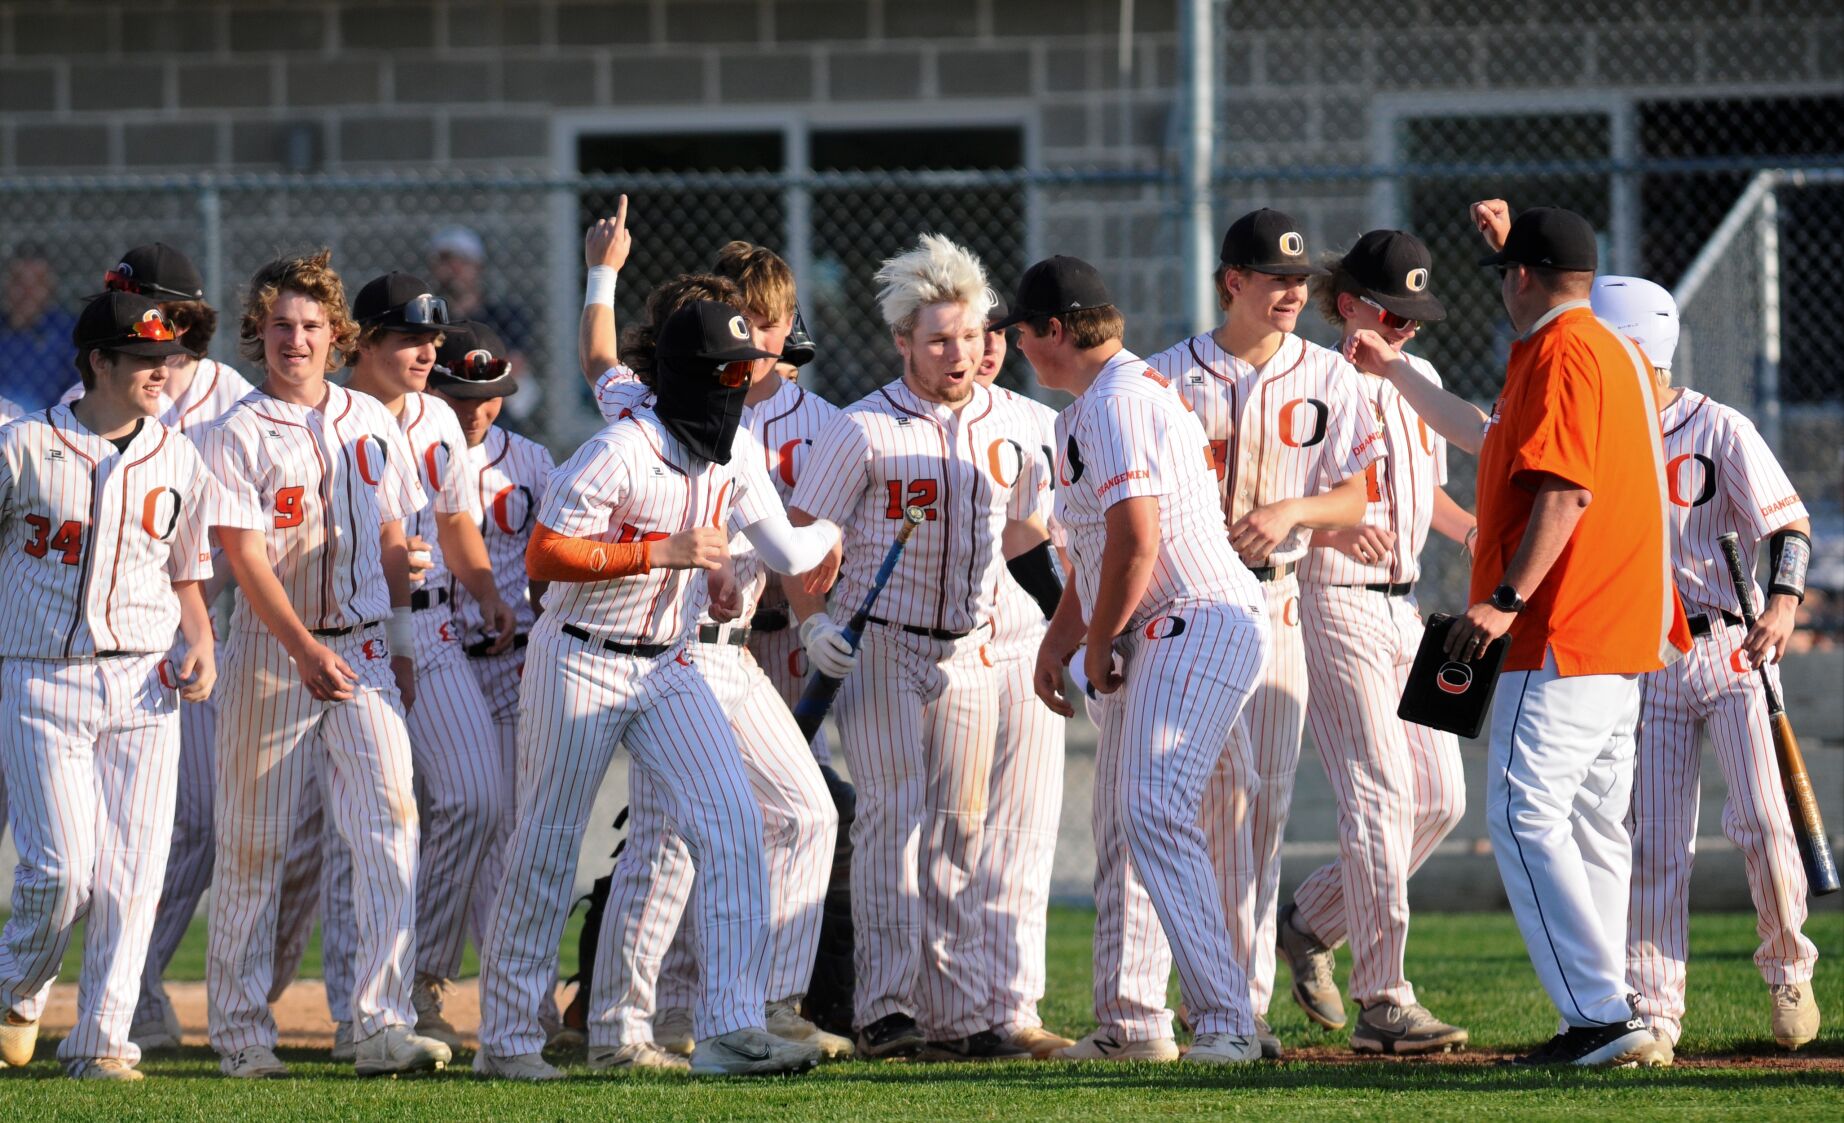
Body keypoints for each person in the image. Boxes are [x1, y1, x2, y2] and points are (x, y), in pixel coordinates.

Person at [1343, 202, 1691, 1066]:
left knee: (1523, 812)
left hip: (1563, 623)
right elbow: (1489, 434)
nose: (1501, 287)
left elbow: (1565, 491)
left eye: (1507, 274)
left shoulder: (1565, 351)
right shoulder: (1605, 346)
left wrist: (1503, 598)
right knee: (1587, 824)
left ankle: (1603, 1016)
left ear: (1526, 279)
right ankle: (1612, 1012)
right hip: (1618, 633)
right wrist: (1397, 372)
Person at [474, 298, 828, 1081]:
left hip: (668, 661)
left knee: (733, 823)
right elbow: (543, 556)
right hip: (580, 655)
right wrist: (661, 552)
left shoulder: (728, 453)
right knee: (547, 843)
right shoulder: (620, 448)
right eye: (723, 372)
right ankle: (504, 1042)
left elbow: (784, 543)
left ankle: (731, 1028)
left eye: (746, 370)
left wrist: (816, 538)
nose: (737, 384)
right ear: (681, 377)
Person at [572, 218, 845, 1068]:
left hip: (731, 654)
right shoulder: (676, 417)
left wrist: (602, 275)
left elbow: (597, 360)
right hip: (672, 650)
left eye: (764, 324)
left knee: (806, 809)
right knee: (663, 841)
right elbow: (797, 554)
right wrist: (831, 531)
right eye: (741, 324)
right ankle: (618, 1025)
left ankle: (768, 1002)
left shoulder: (756, 427)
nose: (758, 342)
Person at [787, 234, 1053, 1062]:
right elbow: (803, 539)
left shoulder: (1016, 421)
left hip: (972, 648)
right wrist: (810, 620)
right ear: (903, 341)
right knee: (894, 822)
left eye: (970, 337)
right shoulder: (862, 426)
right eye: (938, 339)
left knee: (960, 829)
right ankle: (887, 1009)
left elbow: (1034, 535)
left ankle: (960, 1010)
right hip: (882, 647)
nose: (958, 353)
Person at [200, 250, 450, 1078]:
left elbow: (390, 533)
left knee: (389, 831)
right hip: (275, 653)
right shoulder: (237, 428)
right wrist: (302, 647)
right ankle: (240, 1036)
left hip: (366, 649)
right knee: (254, 846)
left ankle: (380, 1022)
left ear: (337, 334)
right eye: (279, 325)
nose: (294, 339)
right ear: (257, 333)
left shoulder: (371, 420)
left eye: (310, 325)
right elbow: (243, 554)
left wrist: (406, 630)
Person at [1013, 255, 1269, 1065]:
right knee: (1127, 822)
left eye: (1020, 334)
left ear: (1054, 330)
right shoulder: (1090, 407)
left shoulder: (1117, 400)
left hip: (1199, 615)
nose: (1018, 349)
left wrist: (1093, 644)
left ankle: (1227, 1020)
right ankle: (1131, 1024)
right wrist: (1061, 640)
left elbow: (1137, 537)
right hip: (1164, 623)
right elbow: (1096, 552)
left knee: (1154, 807)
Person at [1143, 208, 1375, 1057]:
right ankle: (1181, 1000)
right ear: (1232, 281)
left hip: (1277, 603)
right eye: (1275, 277)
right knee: (1196, 802)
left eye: (1301, 279)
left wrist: (1291, 510)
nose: (1292, 291)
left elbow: (1355, 495)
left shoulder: (1329, 375)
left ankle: (1239, 1002)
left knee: (1262, 804)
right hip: (1189, 608)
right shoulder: (1166, 377)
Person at [1594, 275, 1821, 1063]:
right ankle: (1654, 1008)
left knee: (1763, 819)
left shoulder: (1718, 425)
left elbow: (1789, 526)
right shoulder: (1600, 427)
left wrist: (1783, 605)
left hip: (1733, 645)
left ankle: (1789, 967)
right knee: (1654, 841)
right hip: (1648, 656)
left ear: (1637, 347)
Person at [0, 292, 218, 1081]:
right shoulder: (22, 446)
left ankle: (101, 1042)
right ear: (100, 362)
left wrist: (202, 640)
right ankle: (16, 987)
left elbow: (189, 570)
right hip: (39, 674)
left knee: (133, 873)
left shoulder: (180, 458)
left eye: (170, 358)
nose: (164, 371)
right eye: (145, 358)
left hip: (143, 680)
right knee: (61, 869)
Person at [1274, 230, 1473, 1055]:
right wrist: (1322, 535)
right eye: (1392, 313)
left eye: (1416, 316)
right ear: (1348, 303)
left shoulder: (1413, 376)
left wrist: (1481, 541)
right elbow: (1264, 499)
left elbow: (1428, 495)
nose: (1407, 329)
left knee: (1442, 798)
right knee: (1381, 795)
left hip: (1408, 608)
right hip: (1334, 603)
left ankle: (1310, 920)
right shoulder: (1309, 380)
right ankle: (1385, 998)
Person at [313, 272, 520, 1055]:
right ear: (361, 342)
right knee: (355, 832)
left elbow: (456, 517)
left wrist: (487, 589)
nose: (427, 351)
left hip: (431, 635)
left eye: (434, 337)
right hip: (342, 640)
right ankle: (353, 1011)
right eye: (408, 337)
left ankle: (422, 972)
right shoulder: (327, 418)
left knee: (475, 797)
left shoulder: (437, 415)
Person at [63, 242, 261, 1055]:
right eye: (123, 298)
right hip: (96, 645)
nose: (141, 314)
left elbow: (235, 539)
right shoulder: (94, 389)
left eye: (148, 300)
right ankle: (90, 988)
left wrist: (199, 630)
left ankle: (134, 986)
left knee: (205, 828)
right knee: (85, 844)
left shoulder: (230, 400)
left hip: (214, 631)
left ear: (187, 312)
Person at [427, 321, 557, 1013]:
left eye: (490, 394)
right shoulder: (416, 449)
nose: (476, 407)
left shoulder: (532, 462)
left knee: (507, 833)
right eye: (460, 392)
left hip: (512, 664)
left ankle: (521, 1003)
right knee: (429, 828)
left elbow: (553, 563)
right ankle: (415, 985)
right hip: (434, 656)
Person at [968, 296, 1072, 1059]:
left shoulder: (1041, 422)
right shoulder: (896, 425)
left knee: (1025, 835)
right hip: (943, 649)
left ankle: (1013, 1006)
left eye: (998, 332)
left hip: (1030, 637)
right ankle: (931, 1005)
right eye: (971, 333)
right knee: (948, 834)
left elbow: (1052, 533)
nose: (988, 346)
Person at [427, 227, 539, 424]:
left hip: (495, 410)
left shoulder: (504, 315)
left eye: (463, 261)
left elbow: (514, 367)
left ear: (478, 266)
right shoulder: (429, 317)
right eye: (446, 260)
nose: (454, 269)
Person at [0, 245, 78, 411]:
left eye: (37, 282)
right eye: (18, 281)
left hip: (49, 426)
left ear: (50, 287)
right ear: (6, 285)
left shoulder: (67, 333)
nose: (27, 291)